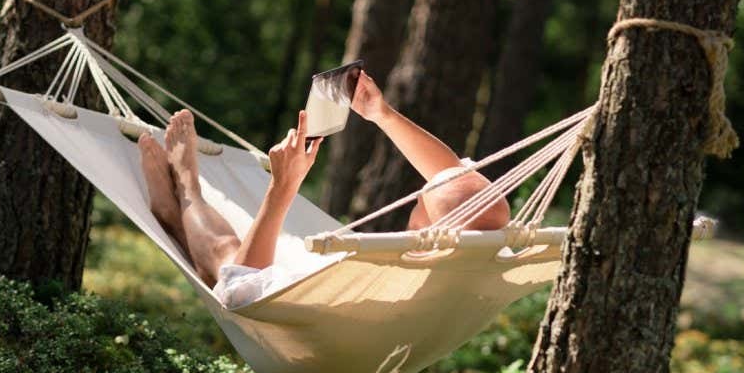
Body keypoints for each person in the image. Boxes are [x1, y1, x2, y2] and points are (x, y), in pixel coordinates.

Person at [138, 71, 509, 308]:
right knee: (458, 188)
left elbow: (240, 289)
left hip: (318, 298)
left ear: (428, 231)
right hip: (342, 275)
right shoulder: (481, 257)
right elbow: (457, 185)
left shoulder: (401, 293)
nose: (424, 192)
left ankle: (184, 195)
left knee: (224, 255)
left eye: (428, 204)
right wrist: (382, 114)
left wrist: (282, 187)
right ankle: (176, 213)